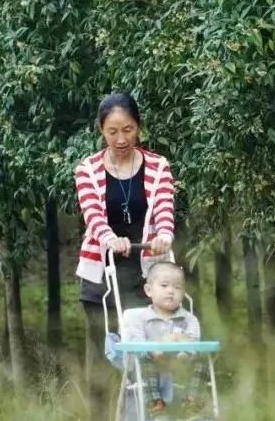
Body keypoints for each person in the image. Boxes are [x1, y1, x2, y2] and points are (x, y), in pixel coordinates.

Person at [76, 92, 175, 417]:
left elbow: (163, 207)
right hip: (102, 275)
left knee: (149, 355)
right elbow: (93, 215)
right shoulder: (87, 170)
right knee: (104, 357)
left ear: (139, 127)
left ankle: (146, 413)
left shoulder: (158, 167)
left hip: (146, 274)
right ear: (101, 131)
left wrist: (163, 236)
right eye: (113, 132)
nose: (121, 139)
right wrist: (109, 238)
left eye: (129, 130)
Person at [121, 261, 202, 416]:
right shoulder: (139, 318)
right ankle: (157, 407)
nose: (171, 291)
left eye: (177, 287)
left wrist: (183, 355)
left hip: (179, 365)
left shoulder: (189, 319)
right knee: (143, 360)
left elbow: (193, 344)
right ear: (149, 290)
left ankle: (191, 405)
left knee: (202, 361)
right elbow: (137, 343)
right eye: (164, 286)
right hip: (151, 364)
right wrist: (156, 351)